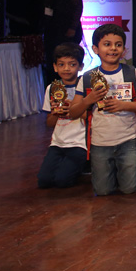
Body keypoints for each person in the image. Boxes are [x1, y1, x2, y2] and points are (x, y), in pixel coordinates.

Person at [69, 24, 136, 195]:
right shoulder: (87, 78)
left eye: (118, 44)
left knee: (130, 189)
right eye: (107, 44)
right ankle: (118, 171)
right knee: (103, 191)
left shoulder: (131, 72)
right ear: (95, 49)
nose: (113, 48)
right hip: (100, 143)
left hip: (128, 140)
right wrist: (88, 100)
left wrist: (124, 105)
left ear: (124, 50)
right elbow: (73, 112)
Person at [37, 42, 87, 188]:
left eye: (72, 64)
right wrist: (56, 113)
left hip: (80, 144)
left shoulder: (85, 87)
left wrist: (74, 107)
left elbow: (91, 117)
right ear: (55, 67)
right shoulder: (52, 88)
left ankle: (84, 167)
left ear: (81, 66)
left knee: (62, 181)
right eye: (61, 64)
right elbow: (49, 123)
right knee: (44, 181)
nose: (66, 68)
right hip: (58, 143)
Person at [43, 0, 83, 82]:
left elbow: (78, 8)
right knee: (52, 59)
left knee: (68, 56)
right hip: (52, 29)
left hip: (67, 29)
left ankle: (70, 86)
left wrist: (72, 28)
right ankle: (54, 87)